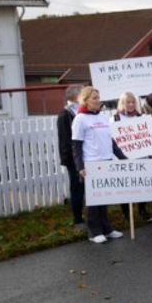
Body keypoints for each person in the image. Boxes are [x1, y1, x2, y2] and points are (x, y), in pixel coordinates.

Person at [70, 86, 127, 244]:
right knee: (94, 200)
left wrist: (123, 158)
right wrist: (80, 166)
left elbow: (111, 142)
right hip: (92, 163)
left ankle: (106, 229)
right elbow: (76, 145)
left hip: (106, 161)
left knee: (104, 197)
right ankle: (94, 231)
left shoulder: (102, 117)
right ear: (85, 100)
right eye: (94, 98)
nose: (98, 100)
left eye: (98, 97)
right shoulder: (80, 119)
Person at [112, 91, 151, 222]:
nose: (131, 104)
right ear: (122, 103)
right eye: (128, 102)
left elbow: (148, 136)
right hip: (122, 159)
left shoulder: (141, 117)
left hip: (140, 157)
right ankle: (126, 214)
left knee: (142, 185)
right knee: (125, 187)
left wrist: (150, 150)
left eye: (133, 102)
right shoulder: (115, 118)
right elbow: (112, 140)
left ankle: (142, 210)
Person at [57, 85, 84, 229]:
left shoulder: (80, 112)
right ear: (75, 97)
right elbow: (65, 141)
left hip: (83, 157)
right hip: (74, 160)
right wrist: (71, 161)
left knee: (84, 188)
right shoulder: (65, 115)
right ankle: (77, 219)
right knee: (77, 188)